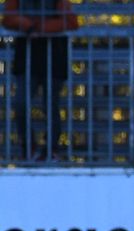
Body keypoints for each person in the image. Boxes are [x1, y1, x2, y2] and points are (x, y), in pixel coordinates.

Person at [2, 0, 78, 162]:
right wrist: (29, 26)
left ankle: (51, 149)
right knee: (21, 103)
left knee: (50, 104)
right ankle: (28, 147)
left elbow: (71, 21)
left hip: (54, 55)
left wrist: (39, 28)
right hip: (26, 56)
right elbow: (8, 18)